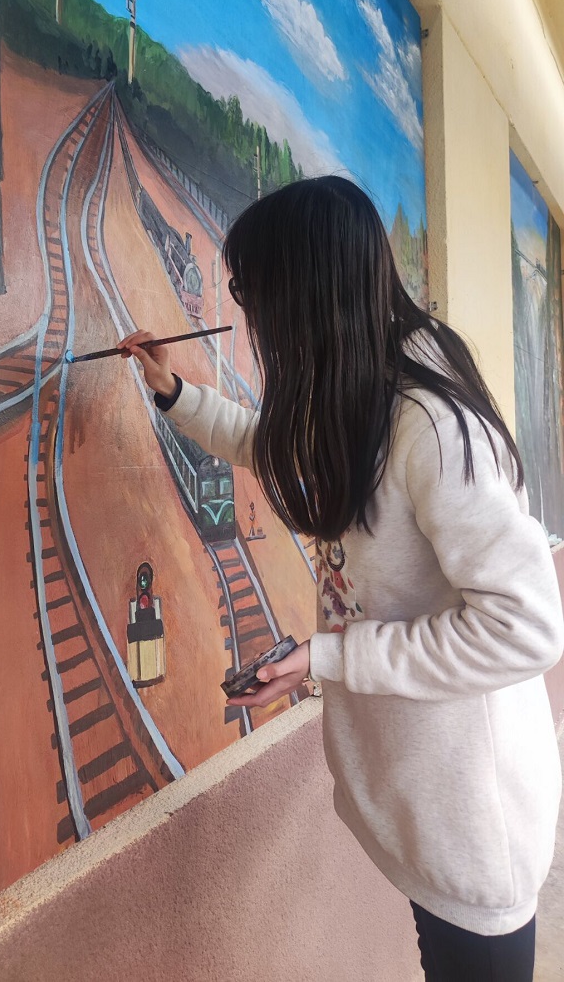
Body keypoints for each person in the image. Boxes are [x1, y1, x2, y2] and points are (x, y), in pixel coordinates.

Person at [118, 176, 564, 982]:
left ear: (305, 294)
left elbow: (526, 628)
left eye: (253, 296)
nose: (251, 319)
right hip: (421, 802)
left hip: (473, 824)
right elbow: (270, 446)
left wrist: (331, 656)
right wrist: (172, 392)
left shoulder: (431, 429)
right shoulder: (361, 398)